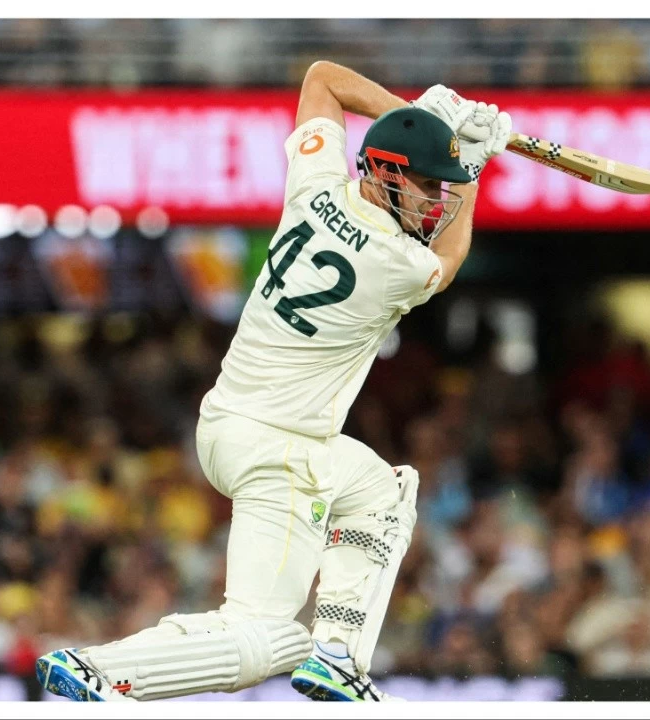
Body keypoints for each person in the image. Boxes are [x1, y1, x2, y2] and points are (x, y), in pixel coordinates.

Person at [34, 60, 511, 702]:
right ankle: (100, 668)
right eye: (430, 185)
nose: (438, 202)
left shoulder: (316, 188)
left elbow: (321, 79)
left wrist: (423, 124)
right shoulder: (395, 262)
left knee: (382, 491)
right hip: (279, 452)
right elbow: (449, 260)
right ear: (389, 173)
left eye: (445, 189)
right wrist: (473, 164)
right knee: (266, 638)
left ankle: (339, 656)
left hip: (239, 422)